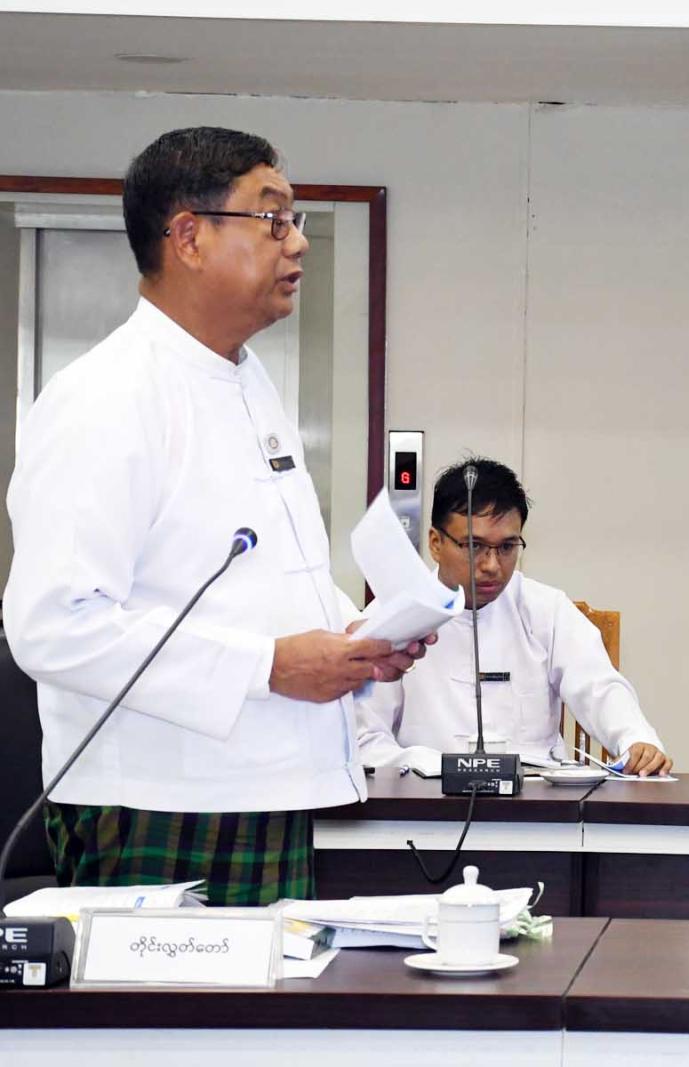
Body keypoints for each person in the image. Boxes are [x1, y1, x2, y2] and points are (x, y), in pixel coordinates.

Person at [3, 127, 428, 906]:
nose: (297, 241)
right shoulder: (106, 396)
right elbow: (52, 623)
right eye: (272, 218)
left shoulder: (247, 379)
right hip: (159, 798)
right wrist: (269, 666)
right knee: (176, 997)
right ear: (189, 237)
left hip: (267, 783)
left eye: (295, 220)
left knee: (278, 993)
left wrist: (355, 640)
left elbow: (261, 572)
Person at [355, 458, 672, 776]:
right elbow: (366, 741)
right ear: (436, 543)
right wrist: (432, 766)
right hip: (426, 795)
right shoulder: (391, 616)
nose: (492, 565)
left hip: (533, 796)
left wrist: (635, 740)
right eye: (474, 545)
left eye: (507, 547)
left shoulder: (545, 609)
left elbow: (598, 688)